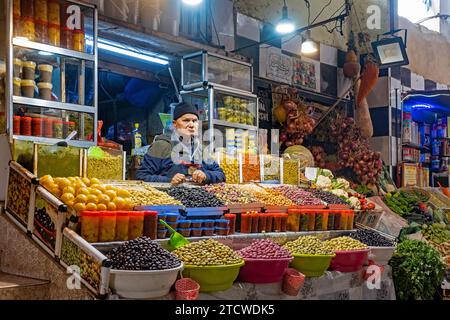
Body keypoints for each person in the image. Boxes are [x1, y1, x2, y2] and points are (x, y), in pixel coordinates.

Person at [136, 102, 225, 185]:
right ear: (174, 124)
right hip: (169, 199)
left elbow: (221, 175)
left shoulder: (201, 149)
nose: (191, 125)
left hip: (197, 199)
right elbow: (141, 176)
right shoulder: (162, 146)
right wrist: (169, 180)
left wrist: (206, 175)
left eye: (194, 121)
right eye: (186, 120)